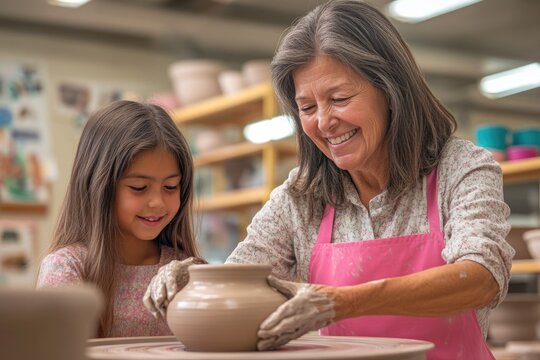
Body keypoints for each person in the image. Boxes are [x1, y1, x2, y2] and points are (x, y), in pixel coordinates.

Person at [144, 1, 515, 358]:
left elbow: (482, 277)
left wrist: (342, 301)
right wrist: (192, 278)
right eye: (307, 107)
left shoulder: (461, 168)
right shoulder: (300, 197)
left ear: (390, 91)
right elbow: (243, 283)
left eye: (338, 98)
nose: (323, 122)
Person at [36, 100, 205, 337]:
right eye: (138, 187)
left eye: (170, 186)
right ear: (99, 186)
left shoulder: (181, 267)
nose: (157, 202)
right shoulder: (66, 268)